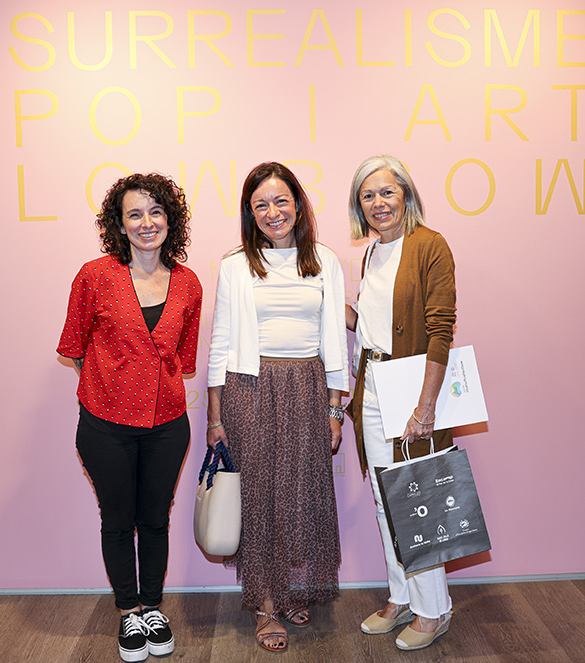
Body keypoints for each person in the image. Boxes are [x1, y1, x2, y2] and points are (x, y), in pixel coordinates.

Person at [57, 173, 202, 663]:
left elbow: (183, 358)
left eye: (156, 212)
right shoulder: (94, 276)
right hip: (105, 425)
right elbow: (75, 346)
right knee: (117, 520)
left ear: (170, 220)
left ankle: (154, 608)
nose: (146, 223)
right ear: (119, 224)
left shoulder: (188, 283)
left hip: (167, 425)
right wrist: (108, 385)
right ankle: (129, 612)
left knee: (155, 520)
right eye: (134, 214)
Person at [205, 162, 348, 653]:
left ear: (298, 205)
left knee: (299, 491)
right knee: (261, 495)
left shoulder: (325, 261)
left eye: (281, 200)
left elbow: (334, 338)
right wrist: (215, 417)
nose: (273, 212)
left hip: (307, 385)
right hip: (250, 386)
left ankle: (288, 590)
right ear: (250, 213)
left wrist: (334, 408)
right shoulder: (235, 265)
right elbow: (221, 342)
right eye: (260, 204)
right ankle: (266, 604)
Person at [344, 155, 457, 652]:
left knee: (416, 499)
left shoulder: (430, 245)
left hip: (410, 389)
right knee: (385, 498)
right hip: (372, 387)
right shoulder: (372, 252)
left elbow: (440, 330)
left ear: (406, 195)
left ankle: (435, 609)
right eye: (368, 196)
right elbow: (369, 325)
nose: (378, 203)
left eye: (387, 192)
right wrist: (323, 303)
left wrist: (425, 406)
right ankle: (401, 597)